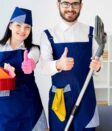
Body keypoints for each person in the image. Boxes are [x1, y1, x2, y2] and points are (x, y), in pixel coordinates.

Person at [40, 0, 102, 130]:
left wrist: (98, 66)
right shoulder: (48, 35)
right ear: (58, 4)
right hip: (60, 99)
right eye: (65, 4)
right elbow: (44, 67)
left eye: (75, 4)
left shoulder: (92, 33)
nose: (70, 8)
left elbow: (99, 64)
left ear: (81, 6)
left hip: (86, 98)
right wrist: (58, 64)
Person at [0, 7, 48, 131]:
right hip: (4, 108)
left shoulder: (33, 49)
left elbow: (33, 58)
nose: (23, 30)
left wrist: (30, 64)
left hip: (29, 107)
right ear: (10, 25)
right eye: (18, 25)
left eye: (27, 27)